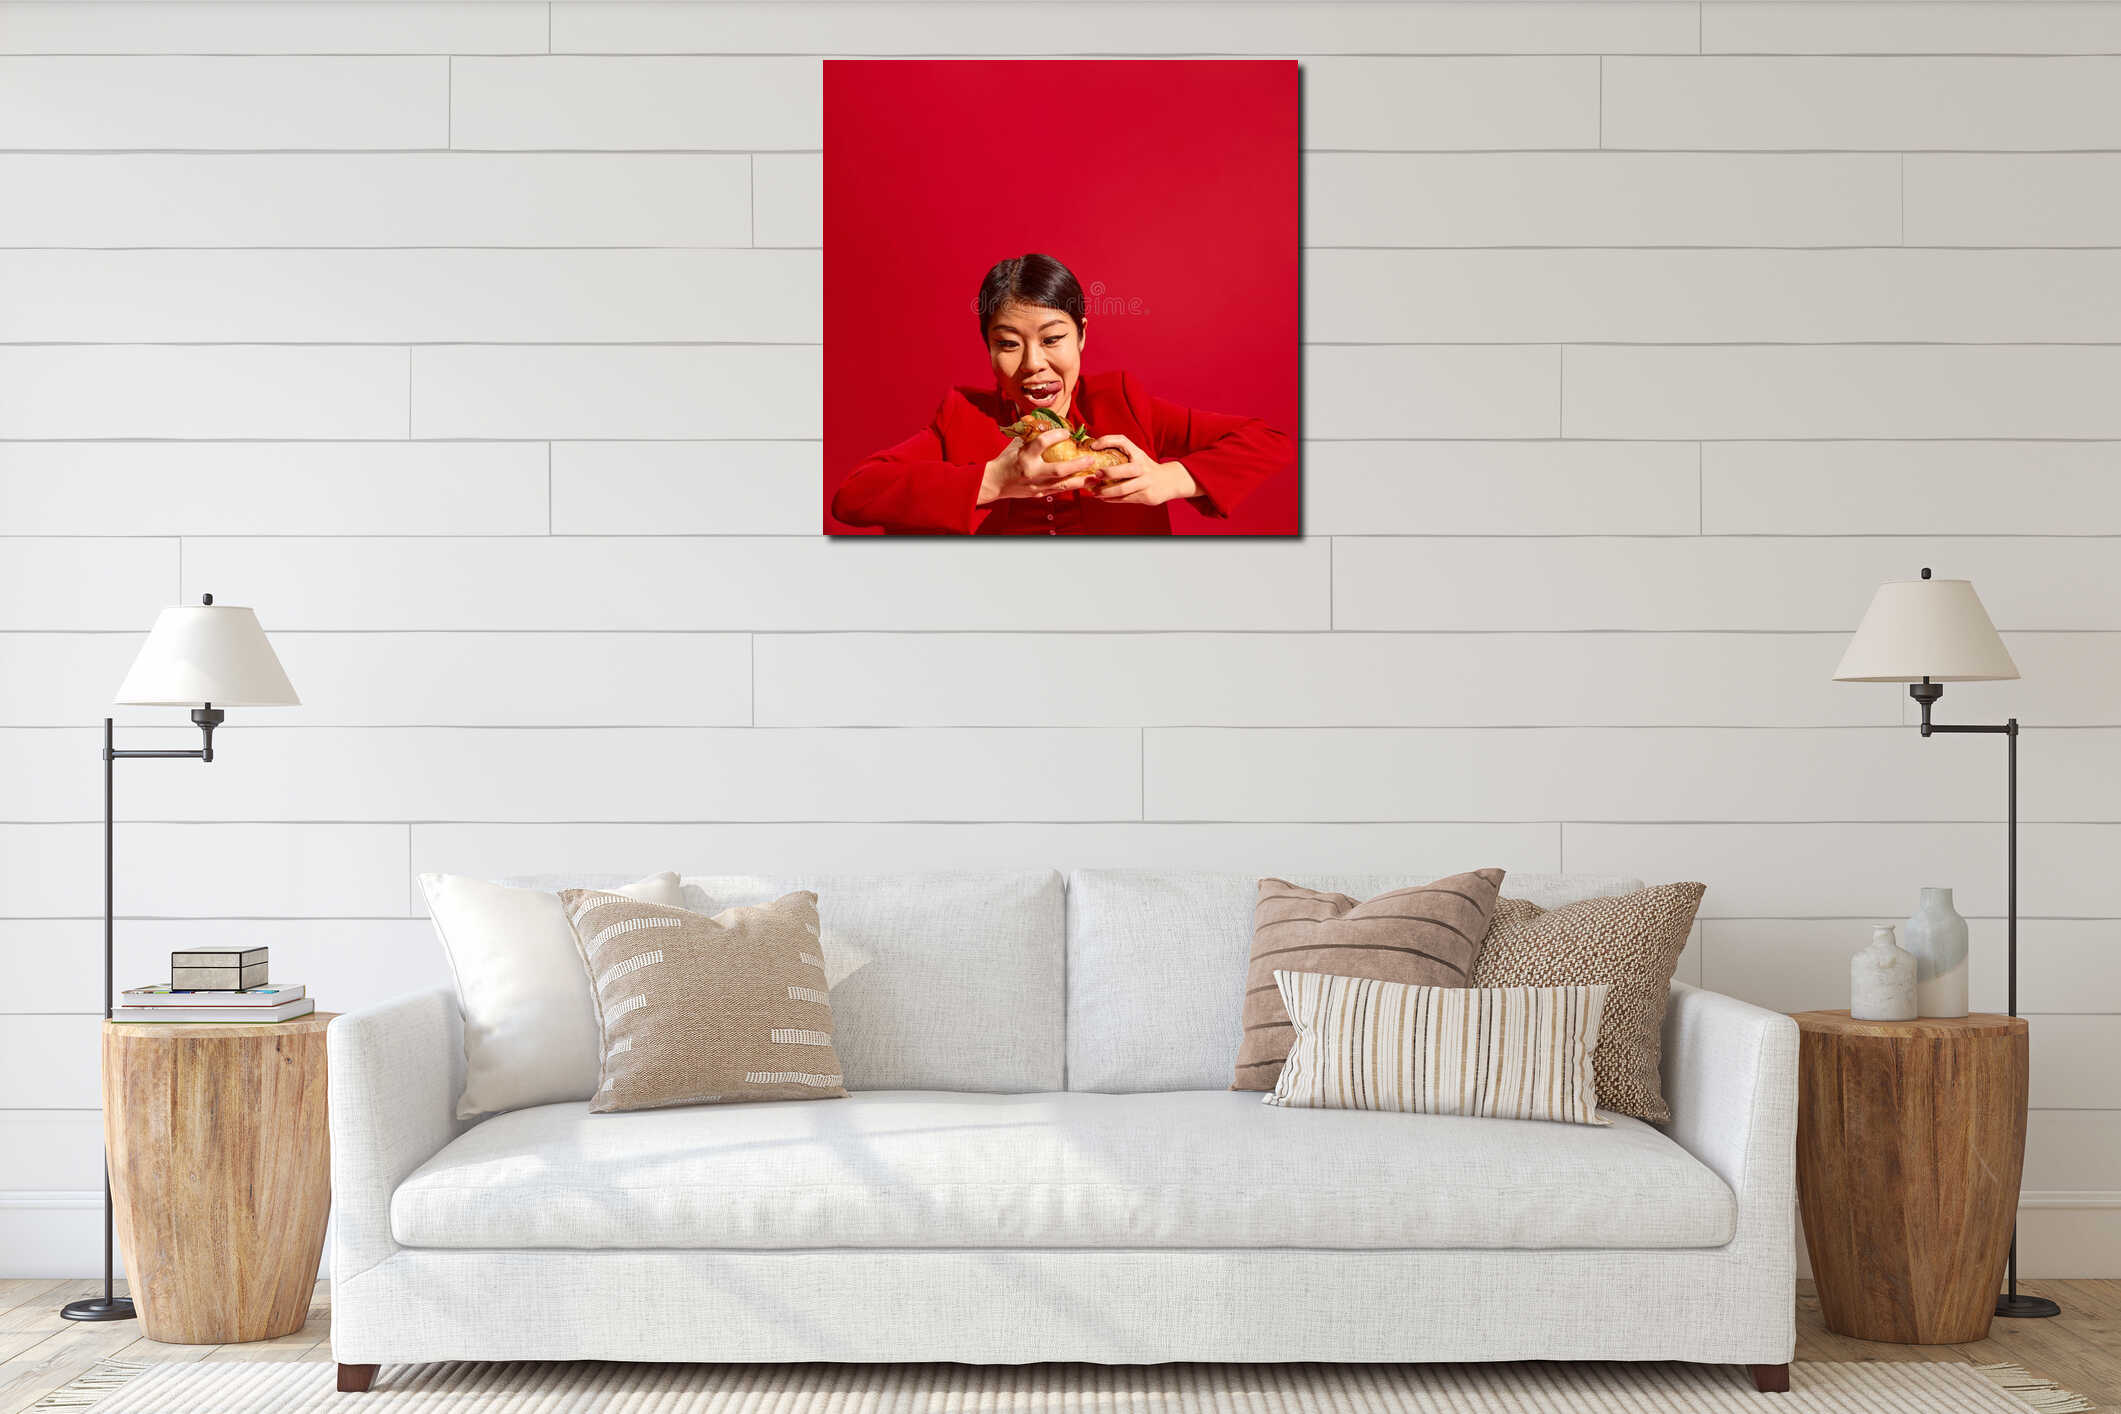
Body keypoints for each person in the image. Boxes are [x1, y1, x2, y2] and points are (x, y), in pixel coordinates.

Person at [832, 253, 1292, 535]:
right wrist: (994, 481)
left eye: (1053, 339)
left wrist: (1169, 479)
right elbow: (853, 496)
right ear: (988, 347)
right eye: (1008, 343)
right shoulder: (963, 418)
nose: (1033, 363)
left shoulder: (1124, 404)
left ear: (1082, 337)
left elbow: (1272, 438)